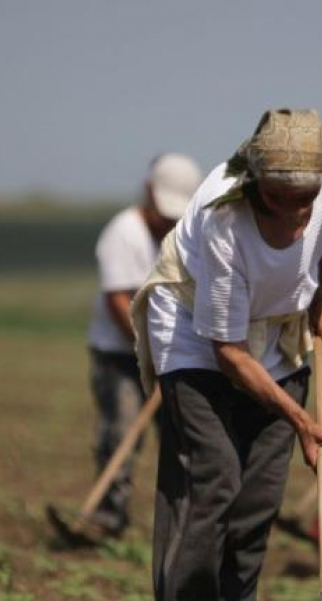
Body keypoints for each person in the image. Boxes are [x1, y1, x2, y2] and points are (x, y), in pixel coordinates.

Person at [132, 109, 322, 601]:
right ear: (256, 185)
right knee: (214, 480)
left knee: (256, 501)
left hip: (275, 332)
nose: (300, 215)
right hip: (195, 331)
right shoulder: (222, 220)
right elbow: (227, 351)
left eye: (308, 199)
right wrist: (301, 420)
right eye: (283, 200)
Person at [85, 153, 202, 537]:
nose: (168, 221)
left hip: (169, 357)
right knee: (119, 432)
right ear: (149, 192)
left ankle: (180, 522)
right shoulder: (124, 232)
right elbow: (119, 300)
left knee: (179, 437)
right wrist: (147, 348)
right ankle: (109, 514)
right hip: (121, 356)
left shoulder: (186, 237)